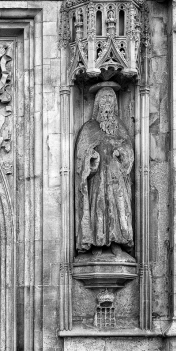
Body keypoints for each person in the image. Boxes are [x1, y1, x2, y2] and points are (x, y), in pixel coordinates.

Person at [74, 82, 134, 259]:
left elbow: (129, 150)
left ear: (114, 103)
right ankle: (96, 243)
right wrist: (90, 157)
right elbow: (81, 154)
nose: (107, 102)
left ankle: (117, 243)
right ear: (98, 103)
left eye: (110, 98)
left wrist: (121, 152)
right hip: (97, 178)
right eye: (104, 99)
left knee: (118, 209)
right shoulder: (89, 128)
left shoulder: (120, 127)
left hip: (116, 179)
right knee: (98, 207)